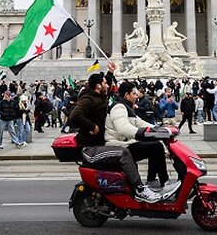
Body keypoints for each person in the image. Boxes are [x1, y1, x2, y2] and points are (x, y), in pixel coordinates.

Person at [69, 63, 161, 203]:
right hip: (90, 147)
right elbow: (74, 116)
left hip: (99, 145)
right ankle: (140, 190)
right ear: (98, 86)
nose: (108, 85)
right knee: (123, 153)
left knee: (133, 150)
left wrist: (110, 73)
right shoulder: (88, 99)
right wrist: (92, 126)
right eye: (105, 83)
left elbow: (108, 87)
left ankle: (140, 188)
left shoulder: (99, 96)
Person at [105, 82, 181, 194]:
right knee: (157, 147)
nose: (137, 96)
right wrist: (141, 133)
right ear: (126, 95)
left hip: (125, 144)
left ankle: (152, 181)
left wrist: (161, 130)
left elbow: (140, 123)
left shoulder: (126, 107)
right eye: (134, 94)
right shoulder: (119, 107)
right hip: (118, 146)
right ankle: (163, 182)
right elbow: (123, 128)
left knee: (155, 146)